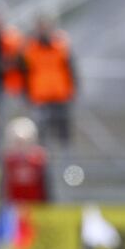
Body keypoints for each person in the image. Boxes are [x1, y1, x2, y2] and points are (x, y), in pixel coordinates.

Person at [20, 13, 77, 152]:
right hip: (40, 98)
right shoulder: (30, 49)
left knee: (63, 136)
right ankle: (44, 169)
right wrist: (27, 96)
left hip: (60, 96)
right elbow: (24, 73)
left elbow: (71, 69)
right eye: (41, 27)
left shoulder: (60, 46)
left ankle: (66, 168)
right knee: (41, 137)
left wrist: (72, 91)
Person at [2, 117, 48, 204]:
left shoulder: (38, 158)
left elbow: (43, 184)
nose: (21, 144)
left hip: (35, 203)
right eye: (18, 141)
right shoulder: (9, 159)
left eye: (24, 141)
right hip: (15, 203)